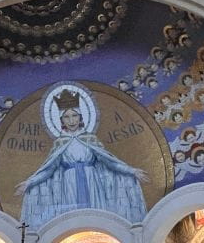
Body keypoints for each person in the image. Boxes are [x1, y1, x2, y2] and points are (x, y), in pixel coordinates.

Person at [16, 83, 148, 225]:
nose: (71, 120)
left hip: (92, 181)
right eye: (67, 117)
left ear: (81, 117)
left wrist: (132, 171)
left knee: (97, 217)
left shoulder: (90, 139)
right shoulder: (60, 143)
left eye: (74, 116)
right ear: (61, 120)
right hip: (69, 183)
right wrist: (29, 182)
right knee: (74, 220)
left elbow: (110, 162)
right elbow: (48, 170)